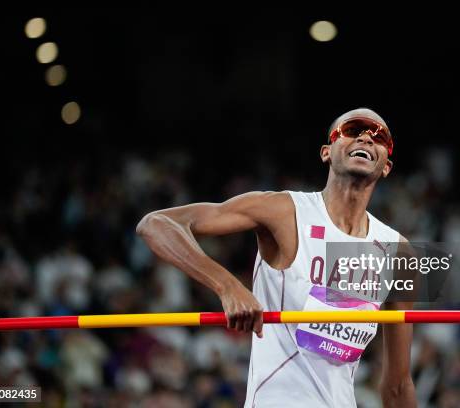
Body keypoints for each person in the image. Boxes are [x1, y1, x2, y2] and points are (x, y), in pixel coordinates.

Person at [136, 108, 416, 407]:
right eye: (353, 129)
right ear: (326, 152)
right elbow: (155, 224)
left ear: (386, 166)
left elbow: (398, 384)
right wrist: (227, 286)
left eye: (379, 136)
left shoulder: (397, 250)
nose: (365, 136)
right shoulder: (283, 210)